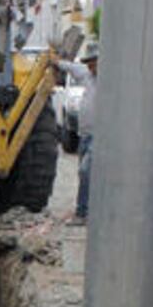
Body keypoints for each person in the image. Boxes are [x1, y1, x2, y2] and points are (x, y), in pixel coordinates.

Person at [58, 41, 98, 226]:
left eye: (93, 62)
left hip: (100, 136)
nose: (90, 66)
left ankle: (82, 212)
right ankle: (89, 209)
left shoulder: (111, 79)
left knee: (86, 171)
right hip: (84, 135)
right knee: (85, 174)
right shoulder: (87, 75)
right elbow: (71, 67)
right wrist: (55, 61)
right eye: (88, 62)